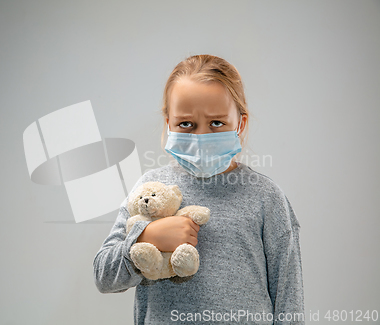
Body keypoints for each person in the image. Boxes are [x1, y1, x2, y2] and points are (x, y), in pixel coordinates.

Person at [93, 54, 305, 325]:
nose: (201, 137)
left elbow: (290, 304)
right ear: (168, 123)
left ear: (240, 123)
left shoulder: (267, 198)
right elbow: (103, 275)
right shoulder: (149, 191)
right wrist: (146, 237)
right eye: (186, 124)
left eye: (217, 123)